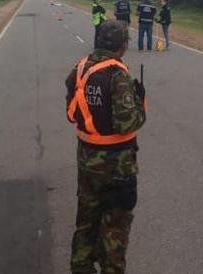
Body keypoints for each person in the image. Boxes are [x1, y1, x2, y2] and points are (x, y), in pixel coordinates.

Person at [65, 20, 147, 274]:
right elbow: (127, 124)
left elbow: (72, 114)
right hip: (117, 166)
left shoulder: (80, 69)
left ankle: (80, 267)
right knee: (115, 227)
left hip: (86, 158)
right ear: (122, 46)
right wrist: (140, 102)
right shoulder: (117, 75)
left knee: (86, 220)